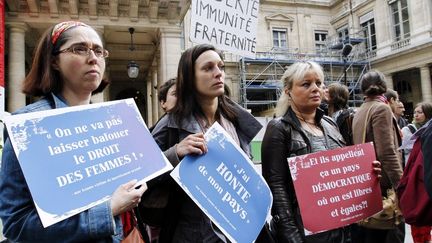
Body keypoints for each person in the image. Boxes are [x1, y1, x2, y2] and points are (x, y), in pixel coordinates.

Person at [0, 21, 147, 242]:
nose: (93, 58)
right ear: (54, 61)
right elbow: (17, 225)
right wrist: (109, 209)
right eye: (80, 48)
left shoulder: (114, 122)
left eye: (99, 51)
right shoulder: (29, 126)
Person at [151, 44, 262, 242]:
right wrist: (175, 153)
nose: (218, 73)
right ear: (189, 77)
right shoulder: (170, 123)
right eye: (208, 68)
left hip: (235, 232)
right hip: (191, 234)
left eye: (221, 66)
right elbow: (142, 175)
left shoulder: (236, 121)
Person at [261, 61, 381, 242]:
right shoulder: (279, 128)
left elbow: (343, 174)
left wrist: (366, 175)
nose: (316, 88)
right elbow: (277, 191)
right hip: (305, 235)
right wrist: (294, 238)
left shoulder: (331, 124)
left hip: (343, 232)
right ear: (288, 91)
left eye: (319, 83)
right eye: (306, 84)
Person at [351, 70, 404, 243]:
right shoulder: (381, 108)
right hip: (384, 187)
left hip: (369, 183)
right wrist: (402, 185)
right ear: (384, 88)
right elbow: (387, 152)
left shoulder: (361, 110)